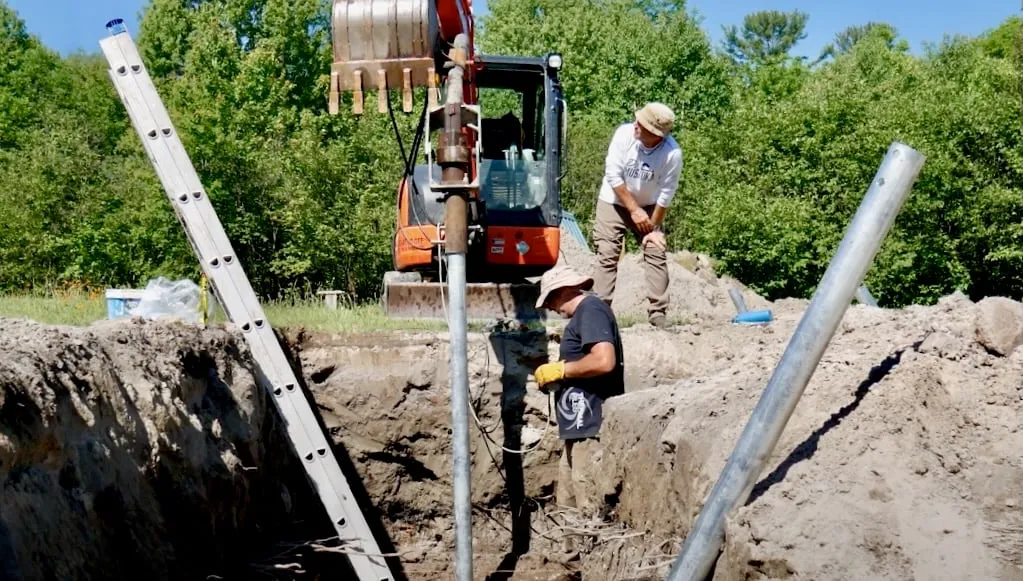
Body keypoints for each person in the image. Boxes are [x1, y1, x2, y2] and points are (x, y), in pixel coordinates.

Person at [531, 264, 625, 523]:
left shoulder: (591, 310)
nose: (549, 307)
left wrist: (562, 370)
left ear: (564, 290)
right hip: (578, 429)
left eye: (550, 299)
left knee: (586, 506)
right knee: (568, 504)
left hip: (590, 426)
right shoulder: (583, 316)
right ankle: (571, 562)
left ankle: (589, 559)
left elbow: (604, 361)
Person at [592, 102, 683, 328]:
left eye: (641, 124)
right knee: (608, 253)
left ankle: (658, 313)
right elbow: (613, 175)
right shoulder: (624, 134)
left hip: (650, 205)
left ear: (655, 134)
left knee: (655, 249)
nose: (635, 125)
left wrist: (651, 229)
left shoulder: (672, 154)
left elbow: (666, 194)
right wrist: (633, 210)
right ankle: (599, 313)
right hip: (614, 200)